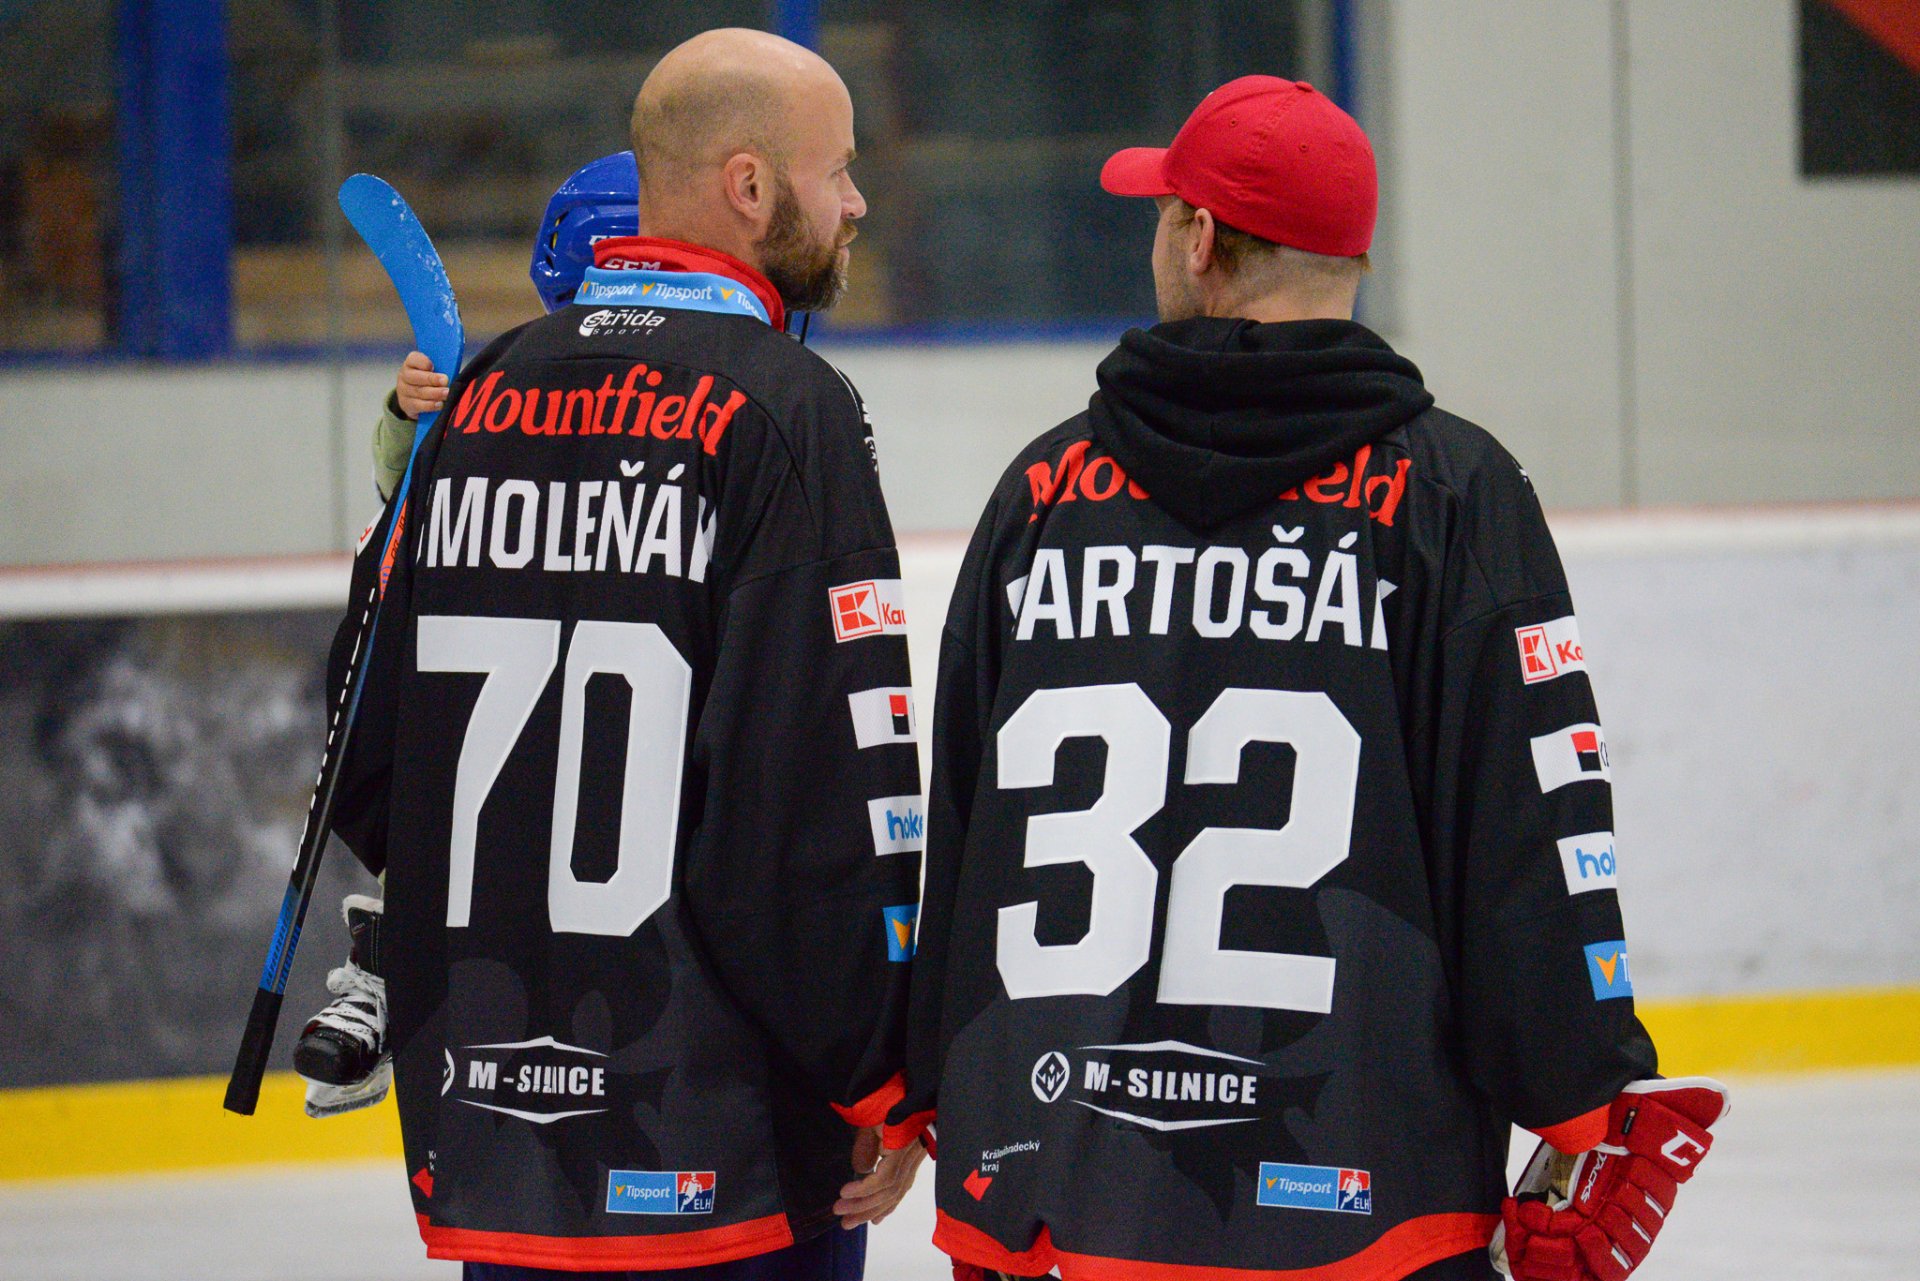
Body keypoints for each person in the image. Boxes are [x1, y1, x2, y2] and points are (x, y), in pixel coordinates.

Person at [888, 76, 1726, 1281]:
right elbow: (1529, 829)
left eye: (1162, 211)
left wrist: (923, 1090)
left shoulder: (1043, 492)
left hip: (1061, 1196)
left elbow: (967, 829)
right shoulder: (1452, 493)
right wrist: (1584, 1091)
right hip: (1366, 1203)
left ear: (1201, 238)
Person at [319, 27, 926, 1278]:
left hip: (499, 1141)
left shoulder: (479, 399)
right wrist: (880, 1075)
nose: (858, 202)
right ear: (750, 186)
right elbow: (810, 800)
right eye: (840, 170)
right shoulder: (787, 408)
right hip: (720, 1147)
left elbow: (364, 761)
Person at [292, 151, 642, 1121]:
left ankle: (404, 944)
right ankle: (399, 947)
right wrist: (410, 416)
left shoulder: (690, 391)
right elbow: (406, 493)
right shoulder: (517, 384)